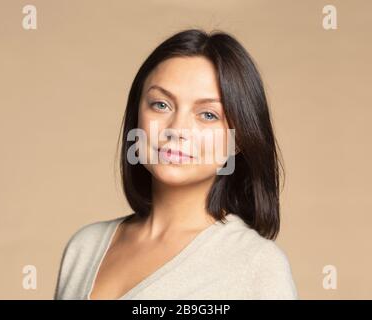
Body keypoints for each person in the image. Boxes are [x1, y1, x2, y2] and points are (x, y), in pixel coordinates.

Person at [54, 28, 298, 300]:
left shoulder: (258, 265)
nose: (177, 129)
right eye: (161, 105)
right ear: (137, 115)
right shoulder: (84, 247)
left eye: (207, 114)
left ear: (239, 139)